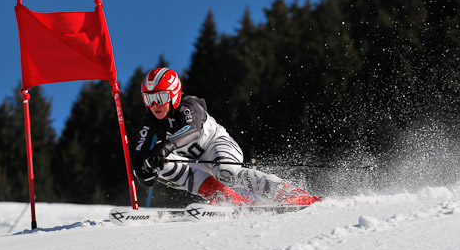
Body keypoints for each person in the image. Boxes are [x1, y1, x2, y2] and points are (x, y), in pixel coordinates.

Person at [131, 67, 321, 206]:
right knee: (157, 162)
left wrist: (164, 146)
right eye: (149, 99)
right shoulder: (150, 122)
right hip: (193, 162)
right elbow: (140, 156)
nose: (155, 105)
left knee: (226, 172)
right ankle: (229, 199)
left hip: (216, 145)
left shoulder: (188, 106)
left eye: (160, 98)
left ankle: (288, 193)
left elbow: (193, 130)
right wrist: (143, 171)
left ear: (173, 94)